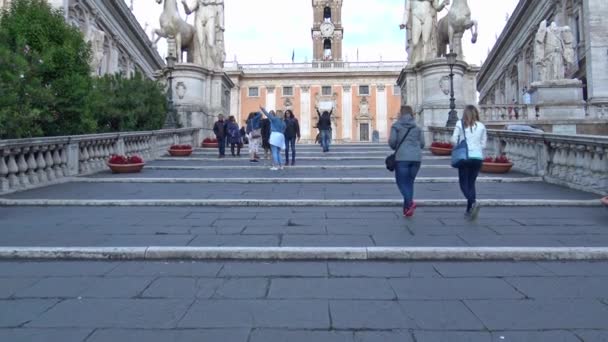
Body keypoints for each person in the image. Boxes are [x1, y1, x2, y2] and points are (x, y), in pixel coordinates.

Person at [451, 105, 487, 220]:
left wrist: (458, 144)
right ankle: (469, 209)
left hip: (465, 157)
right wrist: (476, 147)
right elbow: (484, 144)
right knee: (471, 183)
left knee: (463, 184)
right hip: (478, 158)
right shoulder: (481, 126)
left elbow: (453, 140)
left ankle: (472, 203)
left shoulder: (459, 124)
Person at [388, 105, 425, 217]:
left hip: (402, 158)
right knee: (409, 183)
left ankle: (410, 202)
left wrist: (396, 147)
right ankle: (407, 209)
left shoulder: (396, 126)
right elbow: (422, 144)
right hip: (416, 159)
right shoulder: (418, 127)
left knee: (401, 182)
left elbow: (392, 142)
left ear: (401, 113)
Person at [400, 0, 449, 65]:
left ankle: (423, 60)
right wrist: (404, 22)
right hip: (416, 16)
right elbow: (406, 10)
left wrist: (443, 3)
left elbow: (437, 7)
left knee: (425, 41)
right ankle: (413, 62)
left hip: (427, 16)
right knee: (415, 42)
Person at [260, 106, 286, 170]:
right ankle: (281, 166)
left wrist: (262, 109)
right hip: (281, 136)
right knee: (278, 152)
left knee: (274, 151)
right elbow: (284, 130)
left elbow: (268, 115)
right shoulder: (283, 122)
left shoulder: (275, 119)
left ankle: (275, 166)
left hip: (274, 135)